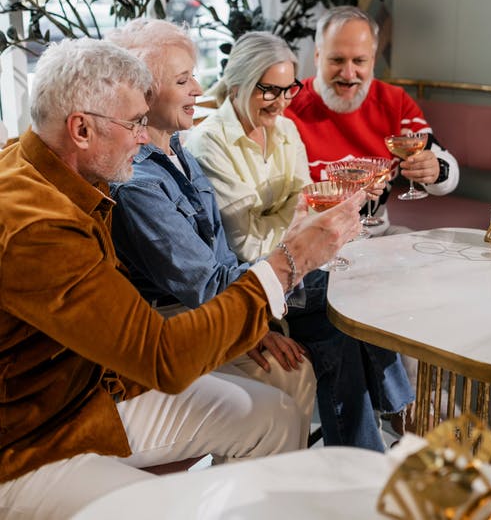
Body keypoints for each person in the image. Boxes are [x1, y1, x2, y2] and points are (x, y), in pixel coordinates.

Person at [0, 36, 365, 519]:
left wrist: (239, 316)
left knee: (274, 415)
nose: (141, 137)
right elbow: (162, 357)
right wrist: (288, 261)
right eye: (133, 123)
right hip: (31, 441)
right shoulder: (38, 225)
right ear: (81, 129)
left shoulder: (53, 169)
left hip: (92, 390)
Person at [186, 31, 415, 453]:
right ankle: (394, 424)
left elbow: (305, 203)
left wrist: (294, 217)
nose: (280, 101)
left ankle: (364, 453)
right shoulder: (208, 142)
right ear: (237, 85)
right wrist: (297, 219)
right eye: (267, 90)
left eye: (288, 88)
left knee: (356, 310)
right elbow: (244, 238)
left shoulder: (286, 129)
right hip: (255, 278)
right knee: (348, 313)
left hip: (297, 265)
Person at [108, 19, 316, 448]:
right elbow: (205, 283)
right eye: (183, 80)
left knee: (295, 370)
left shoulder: (178, 151)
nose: (199, 90)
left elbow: (221, 258)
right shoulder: (137, 181)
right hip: (169, 326)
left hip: (206, 311)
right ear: (142, 95)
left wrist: (251, 324)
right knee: (287, 380)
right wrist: (301, 252)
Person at [285, 6, 460, 235]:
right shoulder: (287, 105)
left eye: (359, 61)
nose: (348, 74)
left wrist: (436, 170)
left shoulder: (395, 102)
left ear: (373, 60)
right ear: (317, 57)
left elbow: (448, 171)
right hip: (310, 239)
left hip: (376, 237)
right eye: (337, 60)